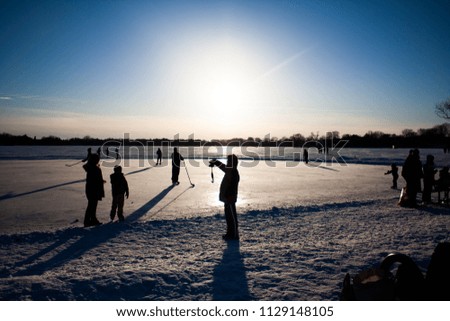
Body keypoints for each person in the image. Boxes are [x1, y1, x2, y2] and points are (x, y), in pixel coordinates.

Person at [209, 154, 240, 240]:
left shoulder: (233, 171)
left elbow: (232, 186)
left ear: (232, 162)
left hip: (230, 198)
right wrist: (216, 162)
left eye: (228, 161)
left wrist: (229, 196)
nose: (227, 163)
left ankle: (234, 235)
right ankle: (230, 234)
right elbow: (224, 167)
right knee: (229, 218)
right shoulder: (230, 170)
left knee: (232, 217)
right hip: (227, 198)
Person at [83, 153, 105, 227]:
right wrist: (99, 181)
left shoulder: (93, 168)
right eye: (97, 159)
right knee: (91, 205)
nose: (98, 160)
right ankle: (88, 221)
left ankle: (92, 219)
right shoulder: (93, 168)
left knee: (93, 205)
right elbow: (93, 179)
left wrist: (101, 181)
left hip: (92, 189)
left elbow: (95, 178)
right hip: (93, 189)